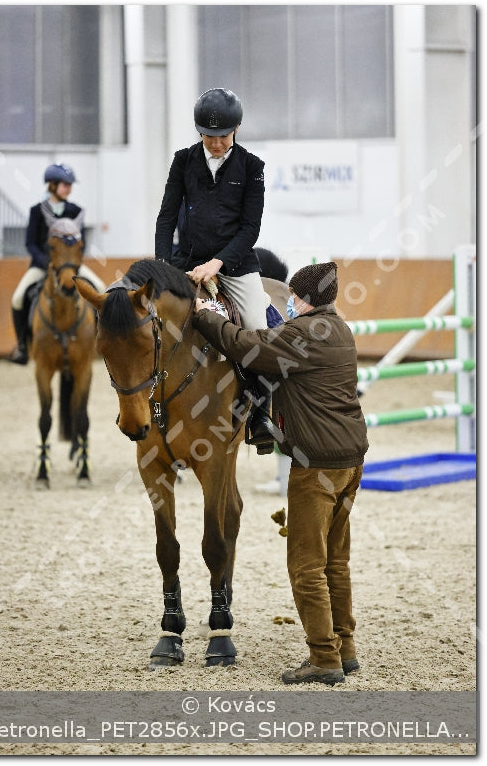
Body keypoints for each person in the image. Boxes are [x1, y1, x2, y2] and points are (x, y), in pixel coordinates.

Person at [192, 262, 368, 685]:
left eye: (292, 295)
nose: (287, 301)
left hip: (316, 466)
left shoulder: (301, 335)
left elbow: (244, 345)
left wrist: (205, 315)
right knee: (336, 561)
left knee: (306, 566)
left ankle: (323, 659)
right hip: (351, 460)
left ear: (303, 298)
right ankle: (345, 649)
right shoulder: (340, 329)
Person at [154, 87, 274, 453]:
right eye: (208, 136)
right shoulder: (183, 161)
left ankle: (260, 415)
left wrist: (217, 263)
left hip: (234, 266)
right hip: (185, 263)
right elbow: (167, 216)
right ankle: (151, 403)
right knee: (150, 321)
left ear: (236, 130)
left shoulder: (252, 168)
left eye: (222, 137)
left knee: (257, 327)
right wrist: (162, 265)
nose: (216, 144)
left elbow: (250, 229)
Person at [9, 162, 105, 365]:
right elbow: (30, 243)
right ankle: (22, 346)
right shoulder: (37, 211)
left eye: (70, 185)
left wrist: (72, 262)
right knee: (18, 297)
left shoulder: (75, 210)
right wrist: (45, 262)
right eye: (65, 184)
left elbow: (82, 242)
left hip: (70, 266)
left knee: (101, 289)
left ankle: (101, 340)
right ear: (52, 185)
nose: (68, 188)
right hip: (42, 265)